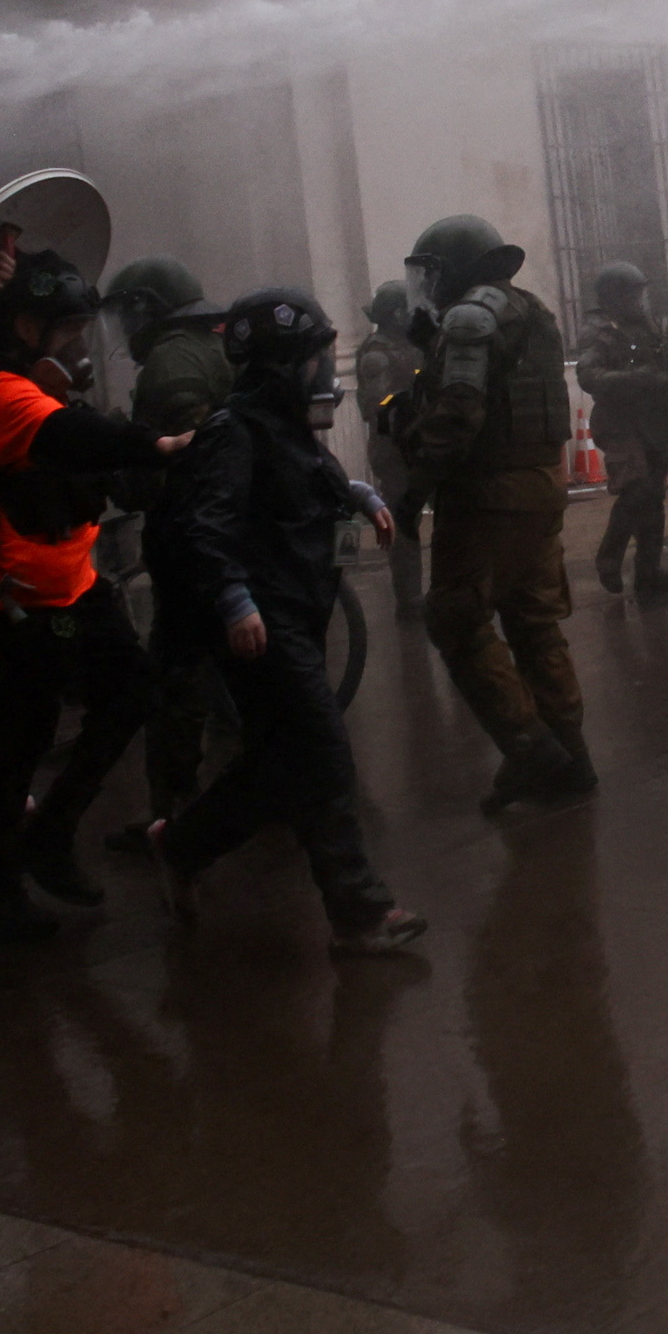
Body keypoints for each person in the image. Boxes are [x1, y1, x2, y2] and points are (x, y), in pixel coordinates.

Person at [142, 285, 426, 951]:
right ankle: (358, 915)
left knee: (279, 766)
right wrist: (235, 601)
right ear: (281, 361)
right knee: (323, 751)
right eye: (313, 353)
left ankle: (181, 847)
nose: (325, 366)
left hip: (295, 609)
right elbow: (206, 526)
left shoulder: (278, 420)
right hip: (263, 620)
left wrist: (352, 492)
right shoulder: (232, 429)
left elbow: (306, 471)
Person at [0, 253, 167, 941]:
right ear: (25, 327)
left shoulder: (43, 392)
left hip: (74, 586)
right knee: (20, 744)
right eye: (66, 331)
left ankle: (52, 830)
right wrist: (158, 443)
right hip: (13, 604)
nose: (79, 347)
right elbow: (74, 438)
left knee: (134, 690)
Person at [400, 213, 597, 803]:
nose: (427, 284)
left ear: (455, 268)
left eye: (432, 272)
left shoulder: (469, 316)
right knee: (534, 620)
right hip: (540, 483)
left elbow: (461, 408)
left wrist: (415, 490)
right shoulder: (528, 308)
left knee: (456, 618)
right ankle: (569, 753)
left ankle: (532, 750)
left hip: (488, 495)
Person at [103, 257, 235, 820]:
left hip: (190, 537)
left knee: (177, 680)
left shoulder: (169, 361)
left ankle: (173, 816)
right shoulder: (215, 345)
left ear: (146, 308)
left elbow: (172, 468)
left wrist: (118, 457)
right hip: (230, 531)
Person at [582, 261, 668, 599]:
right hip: (621, 426)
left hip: (655, 423)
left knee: (654, 499)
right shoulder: (600, 331)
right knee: (637, 491)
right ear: (612, 297)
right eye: (631, 293)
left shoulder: (650, 325)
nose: (638, 300)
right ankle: (610, 556)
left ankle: (649, 571)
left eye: (640, 292)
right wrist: (638, 379)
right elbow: (589, 377)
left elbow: (663, 363)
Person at [353, 282, 433, 605]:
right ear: (395, 313)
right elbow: (376, 408)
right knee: (404, 523)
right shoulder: (377, 355)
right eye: (407, 310)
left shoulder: (411, 344)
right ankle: (410, 598)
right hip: (396, 452)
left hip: (423, 445)